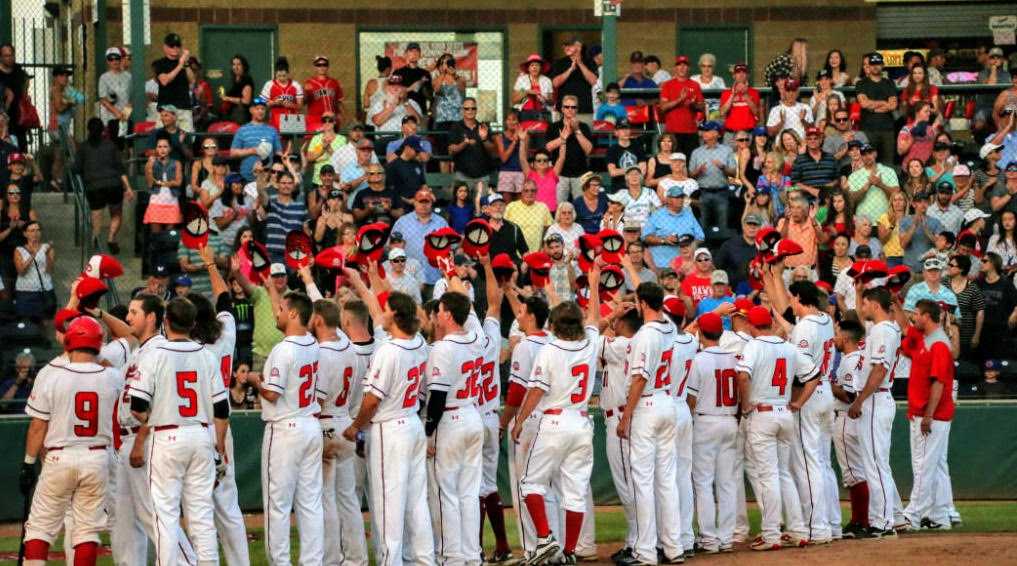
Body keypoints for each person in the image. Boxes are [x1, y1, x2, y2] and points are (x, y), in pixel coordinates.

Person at [128, 298, 229, 565]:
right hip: (201, 435)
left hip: (166, 436)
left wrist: (153, 417)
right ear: (193, 324)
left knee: (166, 516)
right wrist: (219, 445)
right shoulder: (206, 355)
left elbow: (136, 406)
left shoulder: (155, 355)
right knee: (202, 516)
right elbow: (221, 409)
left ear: (165, 322)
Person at [511, 275, 602, 564]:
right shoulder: (590, 344)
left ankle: (545, 539)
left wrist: (520, 420)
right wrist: (594, 283)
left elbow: (537, 390)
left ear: (553, 325)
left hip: (553, 422)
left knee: (530, 484)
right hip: (582, 422)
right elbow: (595, 318)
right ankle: (570, 552)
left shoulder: (549, 350)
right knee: (574, 493)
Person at [342, 288, 435, 566]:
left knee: (387, 505)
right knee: (417, 502)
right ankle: (424, 561)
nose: (380, 314)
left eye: (385, 309)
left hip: (390, 429)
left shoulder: (389, 351)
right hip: (412, 422)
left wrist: (355, 427)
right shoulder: (419, 344)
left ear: (394, 314)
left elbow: (372, 400)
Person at [18, 317, 121, 566]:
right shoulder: (113, 376)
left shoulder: (51, 375)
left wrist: (28, 463)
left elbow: (37, 427)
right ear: (98, 344)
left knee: (40, 528)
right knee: (87, 531)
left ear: (69, 342)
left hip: (59, 457)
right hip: (97, 458)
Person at [245, 290, 325, 564]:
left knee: (277, 504)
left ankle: (280, 562)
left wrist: (255, 380)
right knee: (310, 502)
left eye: (280, 309)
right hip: (310, 424)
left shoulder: (284, 349)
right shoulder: (313, 343)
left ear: (293, 313)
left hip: (285, 429)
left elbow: (271, 393)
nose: (276, 314)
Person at [735, 306, 817, 550]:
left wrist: (746, 404)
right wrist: (799, 403)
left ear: (751, 325)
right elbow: (814, 376)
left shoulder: (754, 346)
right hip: (784, 412)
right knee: (784, 474)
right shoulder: (789, 346)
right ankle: (798, 530)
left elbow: (742, 376)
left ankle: (771, 534)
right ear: (771, 324)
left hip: (763, 414)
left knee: (768, 475)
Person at [187, 255, 251, 565]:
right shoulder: (226, 331)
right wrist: (212, 266)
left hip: (197, 428)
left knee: (196, 507)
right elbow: (224, 298)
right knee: (228, 505)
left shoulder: (189, 349)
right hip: (223, 429)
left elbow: (222, 298)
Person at [615, 281, 684, 564]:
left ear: (643, 303)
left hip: (647, 405)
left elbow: (640, 378)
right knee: (666, 480)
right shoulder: (671, 327)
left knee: (642, 481)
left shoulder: (645, 334)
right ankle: (674, 547)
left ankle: (645, 551)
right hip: (668, 402)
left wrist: (626, 415)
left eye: (638, 301)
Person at [422, 289, 487, 565]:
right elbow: (471, 316)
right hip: (472, 414)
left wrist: (428, 432)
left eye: (439, 311)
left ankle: (452, 557)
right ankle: (472, 556)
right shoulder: (476, 339)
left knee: (446, 493)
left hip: (449, 420)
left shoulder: (443, 348)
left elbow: (437, 397)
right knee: (469, 493)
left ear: (448, 315)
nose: (436, 315)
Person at [308, 298, 362, 566]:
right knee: (348, 498)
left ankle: (331, 559)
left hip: (326, 424)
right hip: (345, 423)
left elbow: (316, 402)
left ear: (318, 319)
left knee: (326, 498)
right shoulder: (349, 346)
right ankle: (357, 559)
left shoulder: (322, 353)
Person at [902, 300, 956, 530]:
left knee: (924, 466)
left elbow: (939, 383)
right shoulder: (925, 339)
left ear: (927, 316)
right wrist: (896, 307)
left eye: (917, 313)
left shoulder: (939, 343)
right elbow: (906, 333)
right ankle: (940, 515)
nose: (913, 317)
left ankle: (913, 515)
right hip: (926, 413)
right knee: (935, 466)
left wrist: (928, 415)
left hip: (932, 415)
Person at [829, 319, 870, 537]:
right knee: (860, 471)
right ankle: (863, 520)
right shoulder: (859, 357)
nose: (834, 338)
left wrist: (826, 384)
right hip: (856, 420)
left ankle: (859, 522)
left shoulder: (850, 360)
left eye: (837, 334)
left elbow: (848, 396)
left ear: (845, 338)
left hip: (847, 418)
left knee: (854, 473)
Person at [75, 118, 132, 254]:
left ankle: (95, 237)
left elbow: (76, 168)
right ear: (103, 131)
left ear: (88, 130)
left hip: (93, 186)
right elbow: (120, 168)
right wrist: (128, 187)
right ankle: (111, 238)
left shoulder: (83, 147)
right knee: (116, 214)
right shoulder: (111, 145)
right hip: (113, 184)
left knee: (96, 214)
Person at [392, 187, 449, 289]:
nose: (424, 205)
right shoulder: (402, 222)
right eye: (420, 202)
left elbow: (449, 249)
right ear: (414, 202)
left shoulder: (441, 223)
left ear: (431, 203)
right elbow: (393, 248)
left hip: (434, 276)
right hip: (408, 277)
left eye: (427, 202)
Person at [690, 121, 737, 241]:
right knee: (702, 227)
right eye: (704, 131)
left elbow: (733, 173)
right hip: (702, 193)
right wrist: (698, 171)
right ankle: (703, 248)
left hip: (722, 192)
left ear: (717, 134)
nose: (704, 133)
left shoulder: (727, 150)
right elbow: (690, 175)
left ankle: (722, 249)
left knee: (723, 226)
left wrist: (723, 167)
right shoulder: (696, 152)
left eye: (707, 130)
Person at [545, 95, 594, 202]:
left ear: (577, 109)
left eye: (573, 107)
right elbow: (548, 148)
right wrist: (563, 138)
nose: (570, 109)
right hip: (559, 174)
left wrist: (577, 130)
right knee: (559, 207)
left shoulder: (584, 127)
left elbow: (589, 150)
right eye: (567, 107)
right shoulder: (553, 126)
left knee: (580, 208)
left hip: (580, 174)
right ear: (562, 109)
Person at [643, 186, 704, 270]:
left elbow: (701, 237)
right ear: (668, 199)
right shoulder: (657, 215)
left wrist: (687, 243)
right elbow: (645, 238)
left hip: (685, 266)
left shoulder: (688, 213)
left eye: (682, 197)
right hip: (661, 264)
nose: (681, 200)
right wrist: (664, 240)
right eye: (677, 197)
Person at [855, 52, 898, 166]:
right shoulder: (861, 83)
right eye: (873, 64)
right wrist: (883, 103)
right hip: (868, 129)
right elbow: (864, 104)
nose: (875, 66)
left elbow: (893, 105)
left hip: (887, 129)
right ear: (868, 66)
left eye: (878, 64)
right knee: (868, 162)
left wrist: (873, 107)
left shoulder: (889, 83)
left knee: (888, 164)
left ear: (882, 65)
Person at [257, 170, 308, 263]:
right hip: (273, 254)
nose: (286, 186)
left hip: (293, 255)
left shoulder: (300, 206)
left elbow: (306, 231)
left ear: (293, 185)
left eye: (289, 183)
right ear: (277, 185)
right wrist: (260, 176)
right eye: (283, 183)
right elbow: (261, 192)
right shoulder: (271, 202)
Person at [659, 56, 704, 157]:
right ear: (675, 68)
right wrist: (679, 99)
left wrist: (692, 104)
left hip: (691, 131)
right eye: (679, 65)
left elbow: (701, 107)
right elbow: (663, 107)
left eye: (685, 65)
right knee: (674, 160)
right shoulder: (667, 85)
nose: (682, 68)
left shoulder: (695, 85)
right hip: (672, 131)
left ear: (688, 68)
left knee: (691, 161)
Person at [231, 97, 283, 182]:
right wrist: (253, 151)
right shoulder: (242, 130)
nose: (260, 111)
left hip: (267, 178)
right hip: (246, 178)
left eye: (263, 109)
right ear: (251, 110)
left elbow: (278, 153)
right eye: (257, 109)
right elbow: (233, 153)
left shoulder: (272, 130)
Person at [449, 97, 495, 192]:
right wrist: (465, 143)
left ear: (476, 110)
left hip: (482, 176)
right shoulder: (456, 127)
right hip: (462, 175)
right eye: (467, 108)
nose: (470, 111)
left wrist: (484, 139)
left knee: (482, 202)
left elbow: (492, 150)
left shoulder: (483, 126)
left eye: (473, 108)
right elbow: (452, 150)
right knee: (463, 201)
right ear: (462, 110)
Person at [847, 144, 899, 223]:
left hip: (886, 220)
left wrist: (881, 185)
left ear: (875, 154)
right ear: (861, 156)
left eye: (870, 153)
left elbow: (897, 194)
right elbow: (850, 200)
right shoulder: (853, 176)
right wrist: (865, 187)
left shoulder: (889, 171)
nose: (867, 157)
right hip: (863, 222)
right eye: (864, 154)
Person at [153, 33, 194, 131]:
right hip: (166, 109)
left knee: (186, 137)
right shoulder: (160, 63)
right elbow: (164, 81)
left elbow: (192, 80)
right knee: (162, 137)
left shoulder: (184, 63)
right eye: (172, 46)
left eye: (177, 45)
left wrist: (186, 64)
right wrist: (180, 65)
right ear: (165, 47)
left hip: (183, 108)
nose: (175, 48)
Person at [549, 37, 598, 118]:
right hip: (564, 110)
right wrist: (570, 70)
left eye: (570, 45)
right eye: (565, 45)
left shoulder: (589, 62)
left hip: (584, 109)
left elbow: (594, 82)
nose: (566, 48)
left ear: (579, 47)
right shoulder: (559, 62)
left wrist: (580, 63)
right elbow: (555, 84)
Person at [947, 254, 985, 361]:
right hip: (944, 334)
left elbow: (980, 312)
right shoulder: (943, 283)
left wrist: (976, 336)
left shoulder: (973, 288)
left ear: (961, 269)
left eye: (951, 265)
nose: (948, 267)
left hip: (965, 336)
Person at [519, 128, 564, 214]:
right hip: (534, 211)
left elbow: (561, 158)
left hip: (551, 212)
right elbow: (522, 158)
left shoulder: (553, 173)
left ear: (548, 163)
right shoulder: (530, 174)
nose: (542, 162)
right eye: (539, 160)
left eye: (545, 160)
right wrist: (522, 141)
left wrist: (563, 141)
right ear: (534, 163)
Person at [715, 214, 762, 291]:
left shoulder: (764, 247)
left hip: (759, 292)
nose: (752, 227)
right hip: (733, 292)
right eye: (749, 224)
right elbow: (717, 267)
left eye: (755, 225)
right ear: (743, 226)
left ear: (760, 228)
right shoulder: (729, 245)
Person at [505, 180, 553, 254]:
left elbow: (548, 228)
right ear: (521, 192)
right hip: (515, 253)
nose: (529, 193)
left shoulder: (543, 207)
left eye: (532, 190)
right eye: (526, 191)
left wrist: (543, 245)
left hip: (536, 252)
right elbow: (504, 227)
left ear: (536, 192)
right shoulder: (511, 206)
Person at [97, 47, 131, 143]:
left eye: (117, 58)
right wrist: (117, 113)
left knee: (128, 143)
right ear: (107, 61)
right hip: (111, 117)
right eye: (111, 59)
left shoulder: (128, 76)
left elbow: (132, 97)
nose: (114, 61)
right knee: (114, 143)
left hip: (127, 115)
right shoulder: (104, 78)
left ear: (121, 59)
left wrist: (125, 114)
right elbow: (103, 99)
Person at [305, 112, 347, 189]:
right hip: (318, 180)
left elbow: (343, 160)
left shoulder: (342, 139)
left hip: (336, 180)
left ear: (334, 122)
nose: (327, 123)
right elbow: (309, 158)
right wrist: (323, 150)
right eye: (324, 120)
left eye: (330, 120)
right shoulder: (316, 138)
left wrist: (329, 148)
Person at [261, 56, 303, 131]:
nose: (281, 78)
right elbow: (262, 105)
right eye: (279, 76)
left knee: (291, 137)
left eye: (284, 76)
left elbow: (300, 106)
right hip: (274, 120)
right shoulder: (269, 84)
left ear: (288, 73)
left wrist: (291, 105)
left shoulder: (296, 85)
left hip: (292, 121)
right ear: (275, 74)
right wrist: (274, 102)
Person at [720, 63, 762, 138]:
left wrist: (746, 95)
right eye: (738, 72)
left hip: (748, 133)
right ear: (734, 76)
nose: (741, 74)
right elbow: (722, 112)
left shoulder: (754, 92)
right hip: (731, 133)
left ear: (748, 75)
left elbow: (757, 113)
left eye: (744, 72)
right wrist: (732, 96)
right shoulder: (726, 93)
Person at [391, 42, 432, 115]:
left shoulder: (425, 73)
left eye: (417, 51)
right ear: (406, 54)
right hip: (402, 111)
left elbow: (429, 96)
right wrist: (411, 88)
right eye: (411, 51)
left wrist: (424, 86)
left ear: (420, 55)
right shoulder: (397, 72)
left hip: (420, 111)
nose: (414, 53)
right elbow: (393, 92)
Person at [304, 55, 343, 132]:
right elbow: (303, 102)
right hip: (315, 119)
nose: (322, 67)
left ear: (328, 67)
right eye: (319, 65)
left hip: (332, 119)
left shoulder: (334, 82)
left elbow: (338, 102)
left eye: (324, 65)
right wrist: (305, 92)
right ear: (315, 67)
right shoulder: (309, 83)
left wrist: (340, 115)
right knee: (317, 139)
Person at [494, 110, 525, 197]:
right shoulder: (499, 137)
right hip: (506, 172)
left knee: (521, 202)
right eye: (508, 119)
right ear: (505, 121)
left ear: (518, 121)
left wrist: (521, 139)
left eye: (514, 119)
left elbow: (524, 157)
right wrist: (514, 141)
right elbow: (503, 158)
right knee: (507, 203)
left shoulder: (524, 136)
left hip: (521, 171)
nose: (511, 122)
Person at [514, 53, 553, 118]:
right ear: (528, 68)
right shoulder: (521, 79)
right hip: (524, 112)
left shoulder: (547, 80)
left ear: (541, 68)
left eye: (537, 65)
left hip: (542, 112)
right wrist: (526, 92)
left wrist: (544, 99)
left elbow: (551, 102)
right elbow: (514, 100)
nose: (534, 67)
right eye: (532, 65)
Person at [220, 54, 254, 124]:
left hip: (241, 115)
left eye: (238, 64)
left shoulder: (247, 80)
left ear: (244, 66)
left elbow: (246, 101)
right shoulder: (234, 79)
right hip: (231, 114)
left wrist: (227, 98)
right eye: (234, 64)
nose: (235, 67)